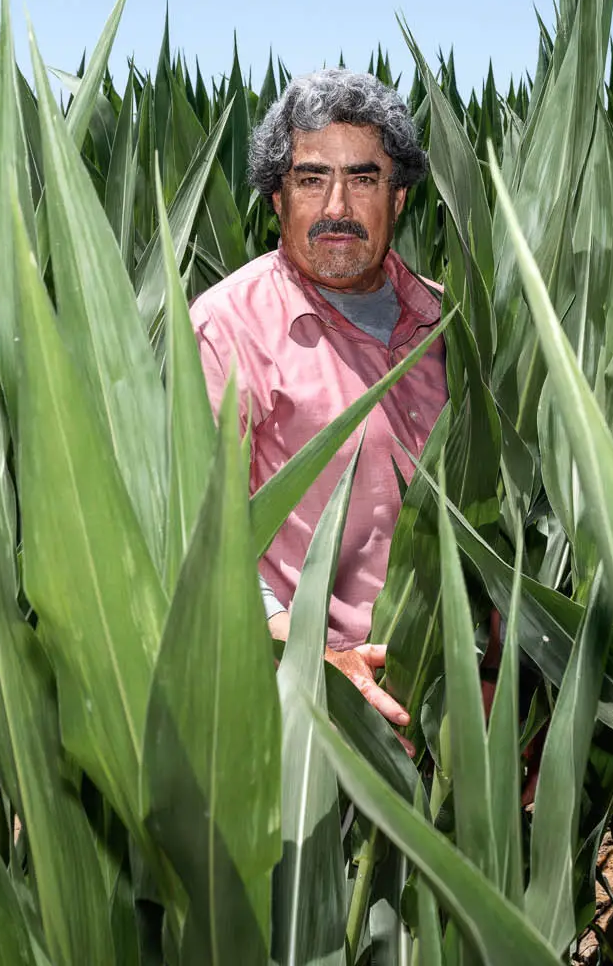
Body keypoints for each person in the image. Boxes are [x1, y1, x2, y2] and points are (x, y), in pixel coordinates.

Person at [190, 68, 446, 732]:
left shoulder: (452, 322)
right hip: (320, 722)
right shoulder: (228, 328)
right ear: (276, 199)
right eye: (310, 179)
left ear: (400, 199)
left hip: (469, 718)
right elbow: (200, 533)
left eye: (363, 178)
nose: (336, 206)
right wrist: (310, 657)